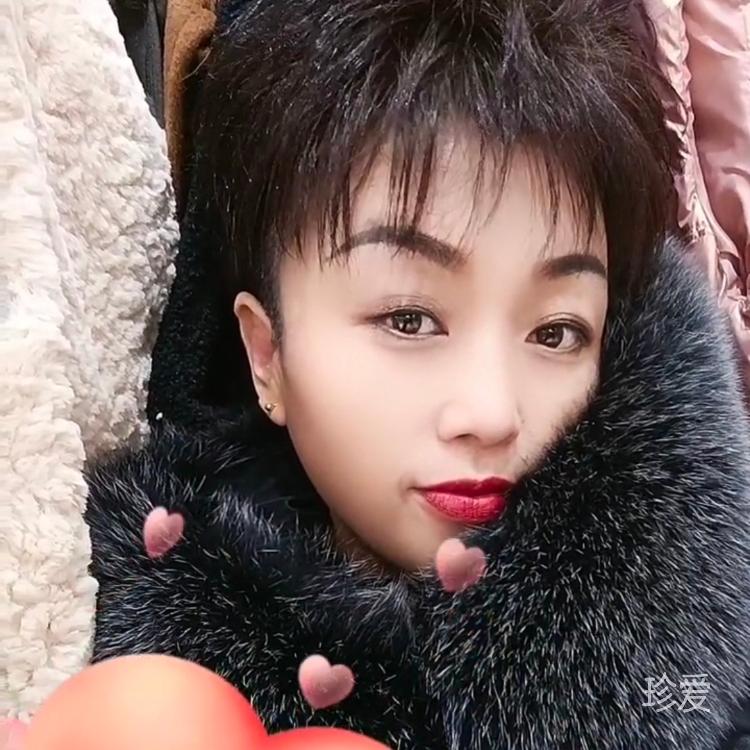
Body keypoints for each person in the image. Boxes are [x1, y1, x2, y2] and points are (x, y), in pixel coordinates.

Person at [83, 1, 750, 747]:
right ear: (266, 355)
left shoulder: (698, 669)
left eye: (555, 332)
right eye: (409, 319)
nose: (492, 413)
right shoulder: (127, 677)